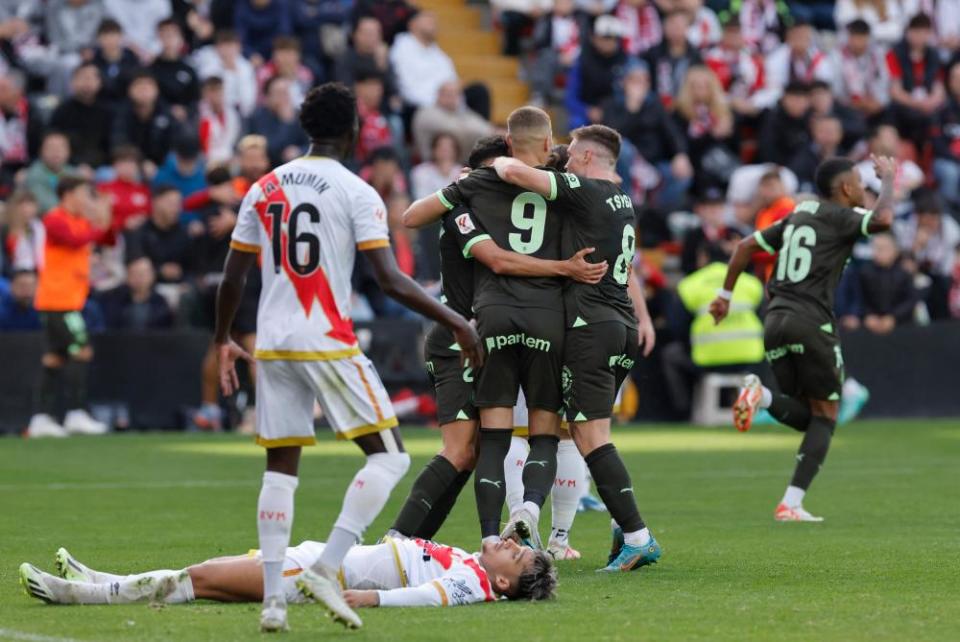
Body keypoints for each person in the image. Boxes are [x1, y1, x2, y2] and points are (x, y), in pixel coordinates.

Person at [213, 82, 482, 633]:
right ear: (353, 130)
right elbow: (387, 278)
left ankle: (272, 603)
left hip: (273, 342)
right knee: (389, 458)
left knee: (280, 468)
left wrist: (222, 338)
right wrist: (455, 319)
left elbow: (233, 274)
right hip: (327, 338)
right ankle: (327, 567)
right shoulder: (357, 190)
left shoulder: (264, 186)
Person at [389, 136, 606, 550]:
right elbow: (497, 259)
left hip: (490, 333)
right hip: (457, 337)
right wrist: (563, 269)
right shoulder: (463, 211)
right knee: (459, 451)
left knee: (474, 452)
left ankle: (417, 542)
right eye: (494, 171)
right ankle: (399, 536)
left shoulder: (510, 210)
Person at [491, 124, 662, 572]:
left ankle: (638, 536)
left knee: (588, 436)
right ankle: (623, 529)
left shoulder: (586, 189)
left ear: (587, 159)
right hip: (619, 323)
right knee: (590, 434)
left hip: (593, 327)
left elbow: (513, 171)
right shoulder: (622, 200)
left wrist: (503, 157)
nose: (564, 163)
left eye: (570, 158)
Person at [709, 155, 898, 521]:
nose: (865, 189)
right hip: (811, 322)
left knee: (807, 417)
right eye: (861, 183)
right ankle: (791, 503)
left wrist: (725, 296)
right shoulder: (840, 216)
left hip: (775, 320)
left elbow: (745, 246)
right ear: (846, 188)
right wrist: (889, 180)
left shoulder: (799, 215)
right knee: (827, 416)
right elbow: (885, 219)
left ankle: (761, 396)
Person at [20, 536, 556, 608]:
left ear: (504, 581)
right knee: (205, 573)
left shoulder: (473, 583)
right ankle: (97, 578)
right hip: (318, 557)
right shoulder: (474, 562)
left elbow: (423, 597)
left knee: (203, 578)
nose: (509, 543)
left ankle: (82, 594)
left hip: (317, 573)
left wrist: (354, 600)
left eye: (516, 553)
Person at [29, 176, 113, 438]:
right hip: (58, 300)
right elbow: (77, 240)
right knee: (82, 350)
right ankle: (76, 413)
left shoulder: (80, 221)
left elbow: (107, 237)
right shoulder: (55, 218)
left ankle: (41, 418)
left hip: (69, 299)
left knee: (55, 357)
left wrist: (102, 219)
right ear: (68, 195)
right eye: (83, 194)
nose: (87, 199)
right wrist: (98, 218)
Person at [411, 80, 494, 164]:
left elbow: (486, 128)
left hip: (459, 166)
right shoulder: (426, 113)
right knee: (446, 141)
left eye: (456, 94)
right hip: (430, 166)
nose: (452, 97)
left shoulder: (461, 113)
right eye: (448, 93)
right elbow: (456, 130)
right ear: (438, 95)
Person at [48, 63, 112, 168]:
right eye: (82, 77)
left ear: (100, 82)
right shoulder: (62, 111)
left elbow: (110, 145)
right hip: (67, 165)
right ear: (72, 82)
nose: (87, 82)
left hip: (101, 165)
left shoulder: (108, 111)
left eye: (91, 78)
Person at [389, 10, 456, 110]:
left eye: (434, 21)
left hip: (448, 107)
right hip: (421, 108)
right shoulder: (402, 48)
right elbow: (406, 89)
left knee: (478, 91)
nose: (433, 23)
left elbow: (453, 83)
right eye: (427, 20)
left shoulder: (440, 54)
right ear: (412, 24)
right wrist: (437, 102)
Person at [858, 232, 916, 333]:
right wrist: (867, 315)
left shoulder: (904, 273)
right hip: (870, 326)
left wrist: (893, 317)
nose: (878, 252)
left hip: (901, 326)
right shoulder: (864, 272)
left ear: (895, 250)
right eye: (875, 248)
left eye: (883, 248)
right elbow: (859, 298)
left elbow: (910, 300)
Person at [98, 256, 174, 330]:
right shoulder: (113, 300)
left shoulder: (160, 302)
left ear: (152, 275)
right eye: (135, 274)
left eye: (143, 274)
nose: (139, 278)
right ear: (127, 276)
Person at [149, 17, 201, 121]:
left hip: (186, 121)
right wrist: (169, 110)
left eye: (172, 35)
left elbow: (195, 99)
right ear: (158, 38)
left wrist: (186, 111)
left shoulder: (189, 69)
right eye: (164, 35)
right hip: (158, 119)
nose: (168, 40)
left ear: (180, 38)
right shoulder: (151, 69)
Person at [97, 146, 151, 233]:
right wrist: (123, 223)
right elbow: (98, 218)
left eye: (131, 163)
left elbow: (149, 214)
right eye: (123, 163)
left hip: (140, 236)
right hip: (112, 235)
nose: (127, 167)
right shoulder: (104, 188)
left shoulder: (144, 190)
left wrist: (142, 220)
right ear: (114, 165)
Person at [24, 132, 75, 216]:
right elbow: (47, 206)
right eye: (51, 148)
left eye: (60, 148)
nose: (56, 152)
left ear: (69, 151)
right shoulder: (34, 174)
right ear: (41, 151)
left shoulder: (73, 174)